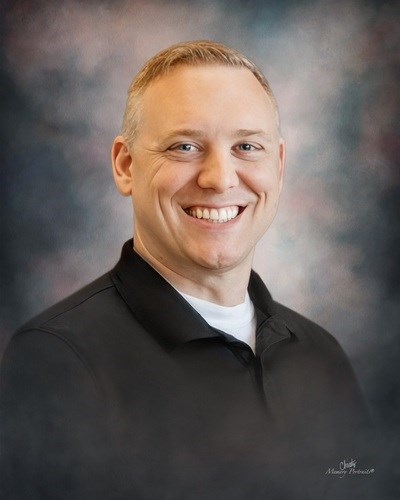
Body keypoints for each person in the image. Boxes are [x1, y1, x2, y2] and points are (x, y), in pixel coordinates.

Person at [0, 41, 373, 499]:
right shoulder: (57, 361)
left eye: (246, 146)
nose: (220, 177)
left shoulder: (320, 354)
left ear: (278, 166)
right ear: (126, 166)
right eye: (185, 146)